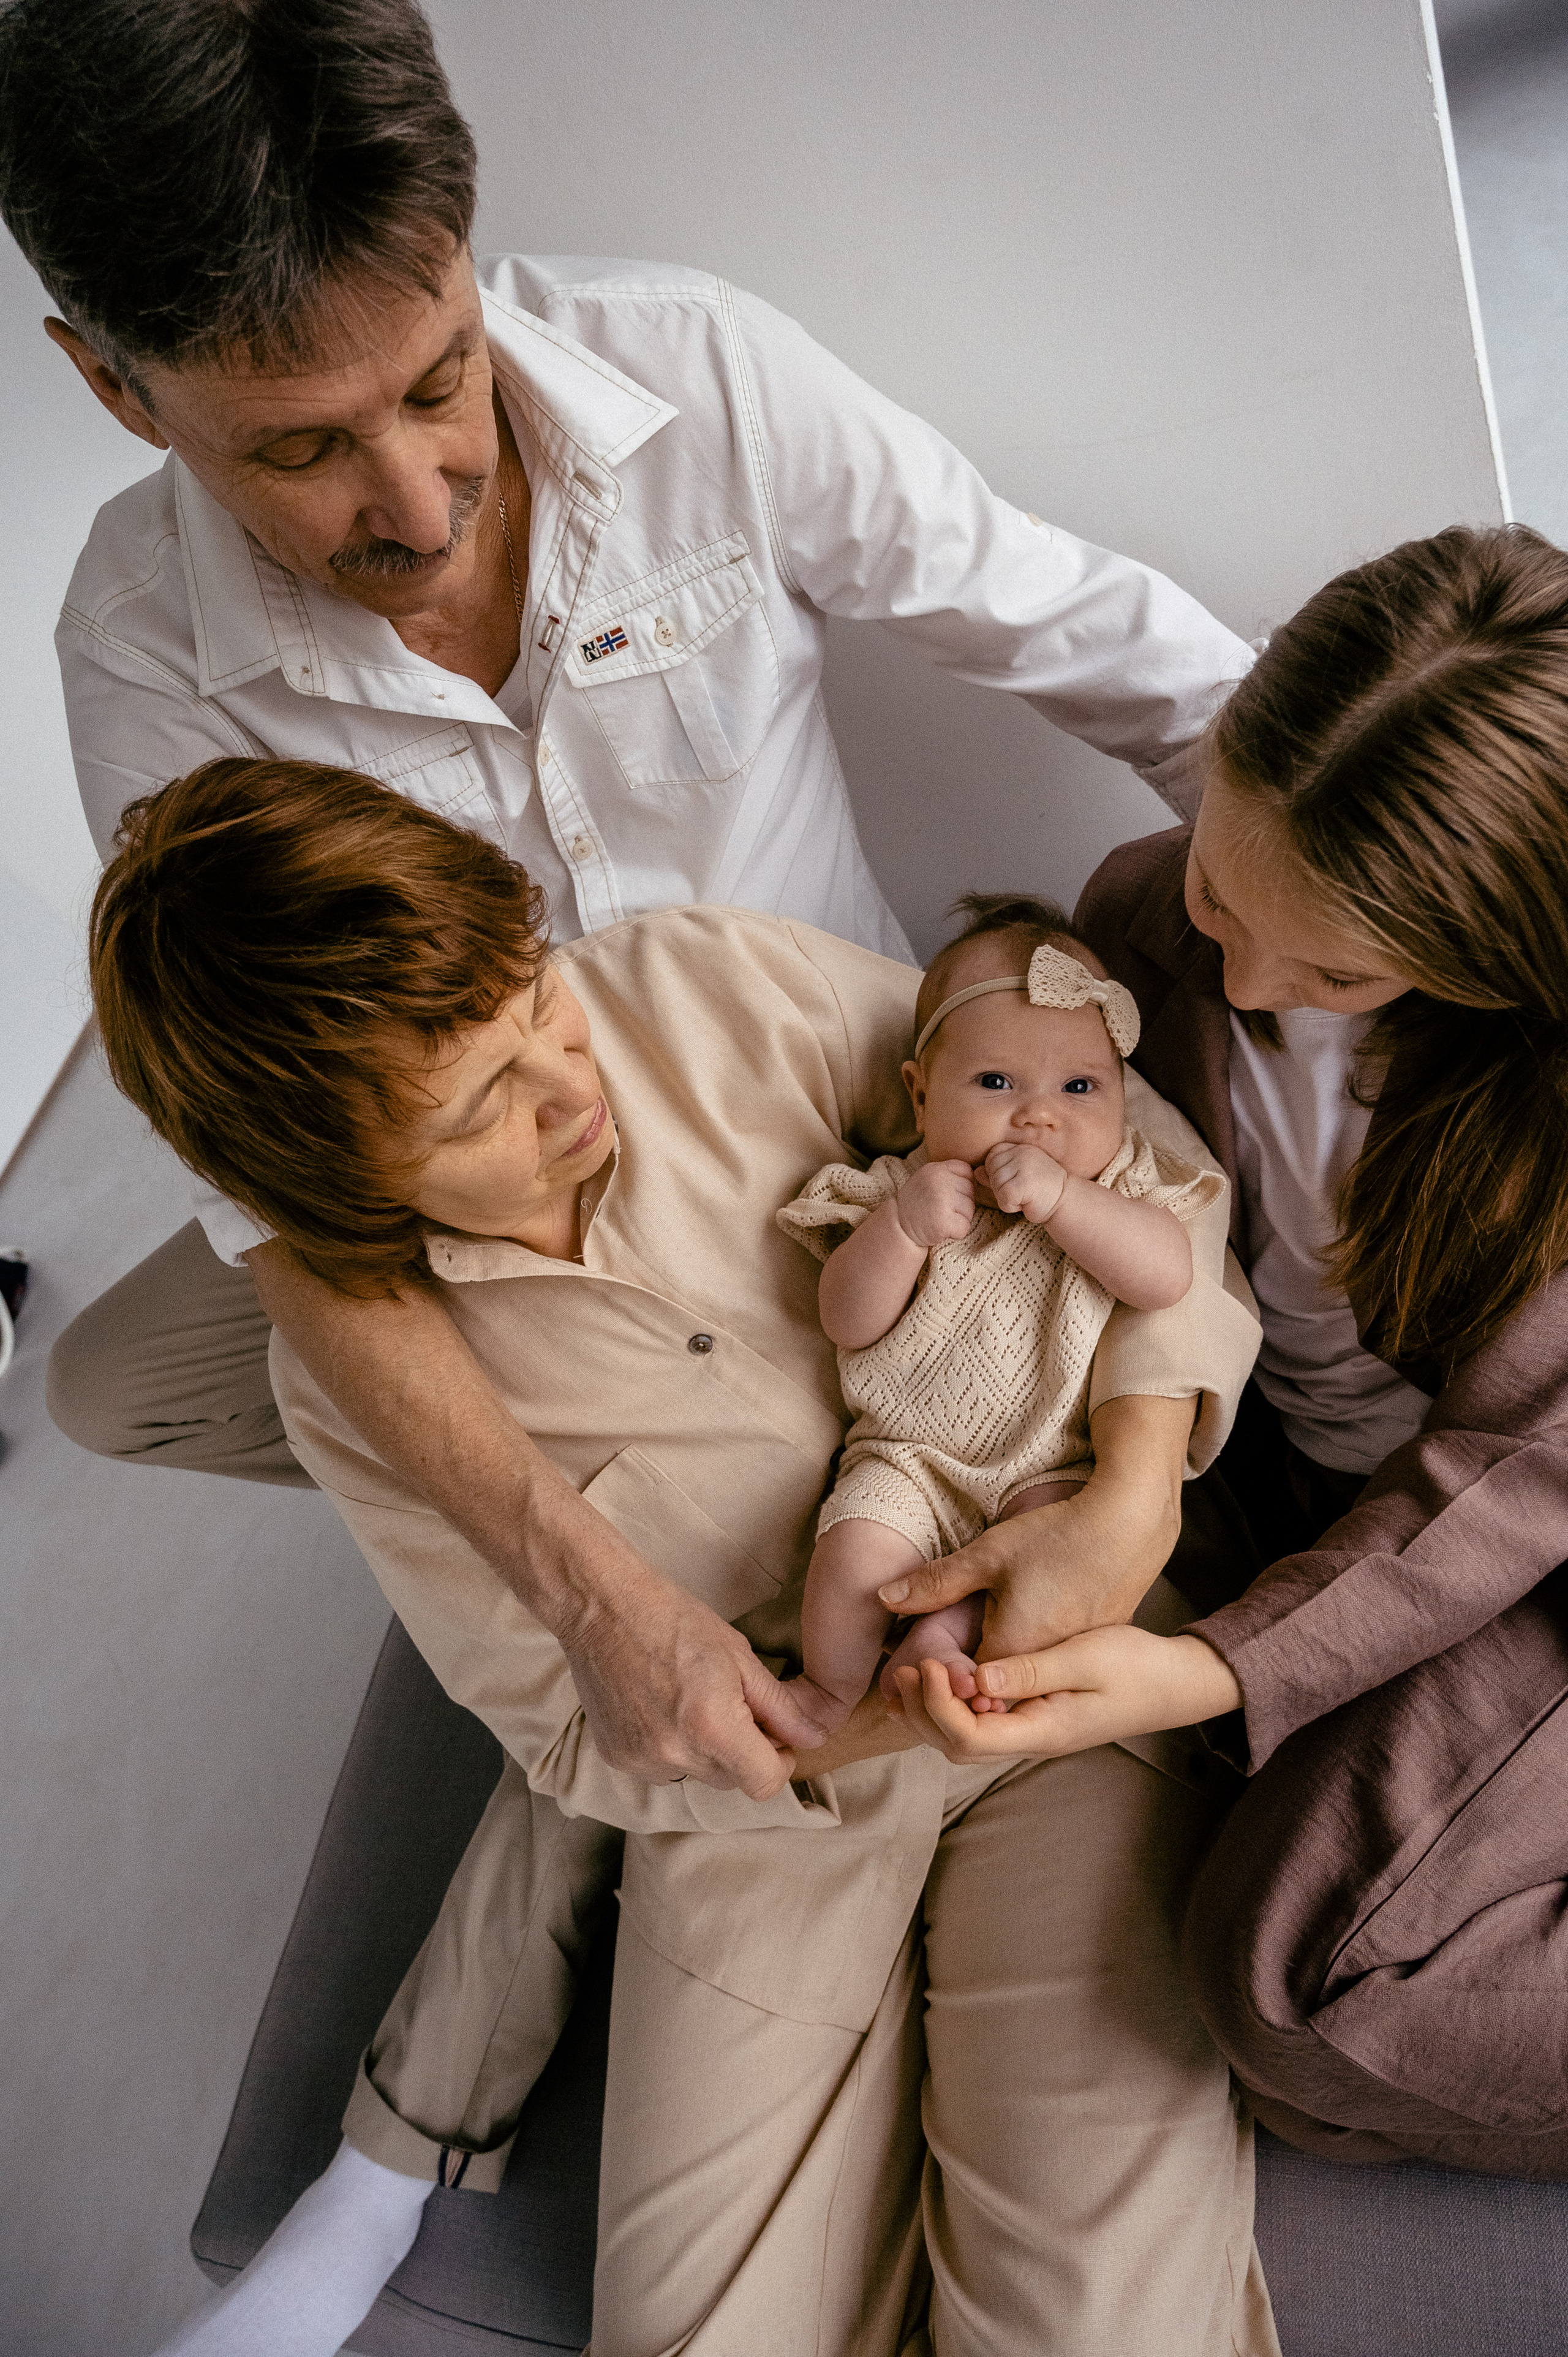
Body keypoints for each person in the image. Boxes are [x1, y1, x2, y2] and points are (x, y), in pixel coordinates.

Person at [0, 0, 1257, 1798]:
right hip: (502, 1208)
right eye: (298, 451)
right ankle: (701, 1531)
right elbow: (268, 1199)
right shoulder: (142, 658)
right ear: (114, 387)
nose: (421, 508)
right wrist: (591, 1595)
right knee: (126, 1384)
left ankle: (772, 1482)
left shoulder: (697, 369)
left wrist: (1447, 873)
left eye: (438, 382)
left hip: (824, 1104)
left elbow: (1097, 640)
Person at [89, 757, 1274, 2356]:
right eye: (478, 1109)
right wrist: (811, 1727)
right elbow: (574, 1735)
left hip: (1068, 1705)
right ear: (322, 1188)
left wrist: (1133, 1487)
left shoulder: (701, 984)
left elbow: (1156, 1183)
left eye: (536, 1009)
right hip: (766, 1817)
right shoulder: (361, 1390)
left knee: (1100, 2327)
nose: (567, 1088)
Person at [884, 521, 1568, 2180]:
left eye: (1333, 965)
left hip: (1520, 1538)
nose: (1249, 974)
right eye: (1218, 886)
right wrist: (1113, 1485)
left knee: (1303, 1999)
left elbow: (1502, 1491)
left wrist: (1218, 1667)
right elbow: (1126, 1241)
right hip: (1305, 1480)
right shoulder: (1137, 920)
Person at [778, 898, 1219, 1731]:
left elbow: (1165, 1277)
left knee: (1044, 1565)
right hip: (907, 1455)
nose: (1039, 1115)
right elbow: (846, 1319)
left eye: (1081, 1087)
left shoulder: (1120, 1190)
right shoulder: (896, 1192)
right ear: (920, 1095)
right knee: (851, 1561)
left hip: (1054, 1460)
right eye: (995, 1083)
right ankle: (830, 1695)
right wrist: (903, 1230)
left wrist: (1066, 1203)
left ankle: (941, 1644)